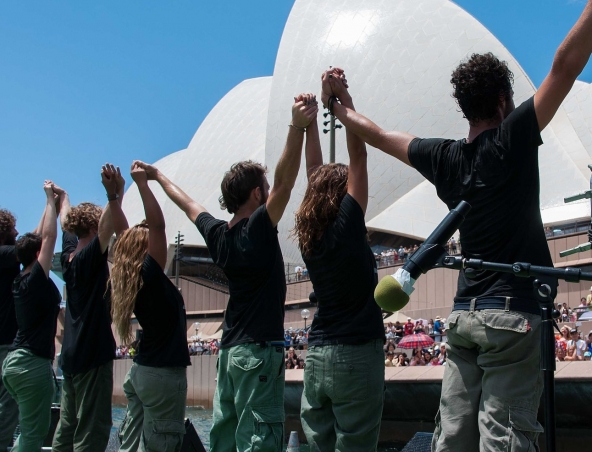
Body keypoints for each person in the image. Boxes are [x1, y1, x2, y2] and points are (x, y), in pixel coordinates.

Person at [321, 4, 592, 448]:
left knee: (452, 437)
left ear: (465, 109)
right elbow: (564, 66)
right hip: (512, 314)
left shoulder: (444, 159)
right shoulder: (512, 139)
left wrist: (342, 108)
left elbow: (380, 135)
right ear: (504, 102)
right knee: (505, 437)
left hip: (464, 315)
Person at [135, 93, 316, 451]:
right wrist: (297, 126)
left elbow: (189, 205)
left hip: (230, 352)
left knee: (224, 438)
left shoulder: (218, 235)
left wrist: (157, 177)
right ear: (255, 194)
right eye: (263, 189)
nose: (269, 193)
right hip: (259, 351)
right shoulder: (259, 227)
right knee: (259, 440)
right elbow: (285, 183)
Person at [294, 76, 385, 452]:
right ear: (344, 192)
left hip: (317, 354)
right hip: (356, 351)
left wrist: (311, 120)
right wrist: (341, 101)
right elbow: (359, 156)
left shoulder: (309, 237)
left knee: (317, 446)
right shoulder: (349, 223)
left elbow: (313, 174)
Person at [113, 163, 191, 452]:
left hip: (142, 372)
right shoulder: (150, 274)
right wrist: (144, 184)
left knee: (131, 445)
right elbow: (157, 225)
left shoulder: (131, 275)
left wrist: (114, 196)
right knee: (162, 444)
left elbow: (123, 236)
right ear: (145, 249)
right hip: (162, 376)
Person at [52, 165, 128, 452]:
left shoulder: (70, 256)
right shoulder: (88, 259)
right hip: (91, 355)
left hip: (70, 357)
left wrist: (63, 198)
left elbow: (64, 223)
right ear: (96, 227)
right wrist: (114, 195)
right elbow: (107, 230)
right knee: (91, 431)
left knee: (67, 428)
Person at [2, 181, 61, 451]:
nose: (16, 232)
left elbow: (37, 239)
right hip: (27, 361)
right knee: (30, 432)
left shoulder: (19, 279)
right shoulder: (32, 277)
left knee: (23, 428)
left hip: (14, 361)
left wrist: (52, 207)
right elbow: (45, 239)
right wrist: (50, 200)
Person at [0, 208, 21, 449]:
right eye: (12, 229)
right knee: (9, 405)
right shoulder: (5, 254)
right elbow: (34, 245)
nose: (17, 232)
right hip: (5, 343)